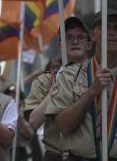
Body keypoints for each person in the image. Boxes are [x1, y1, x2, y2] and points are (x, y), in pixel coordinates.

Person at [46, 9, 117, 159]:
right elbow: (64, 126)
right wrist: (92, 92)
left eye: (116, 28)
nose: (112, 32)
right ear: (92, 35)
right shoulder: (70, 75)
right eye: (106, 27)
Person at [25, 16, 91, 161]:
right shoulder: (45, 81)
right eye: (68, 38)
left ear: (89, 44)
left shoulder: (99, 77)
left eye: (80, 37)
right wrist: (59, 85)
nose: (74, 41)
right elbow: (34, 121)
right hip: (55, 155)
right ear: (60, 46)